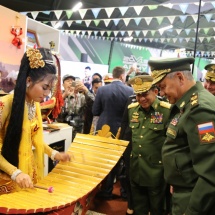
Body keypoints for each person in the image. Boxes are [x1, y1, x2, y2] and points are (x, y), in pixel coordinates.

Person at [148, 57, 215, 215]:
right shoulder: (188, 102)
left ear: (180, 77)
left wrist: (192, 211)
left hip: (194, 199)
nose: (162, 93)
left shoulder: (199, 109)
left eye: (163, 87)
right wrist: (178, 178)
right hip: (184, 189)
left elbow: (211, 172)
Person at [0, 48, 71, 194]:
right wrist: (15, 172)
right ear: (28, 80)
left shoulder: (35, 104)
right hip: (8, 176)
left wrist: (54, 154)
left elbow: (35, 140)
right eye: (44, 87)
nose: (47, 94)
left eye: (50, 89)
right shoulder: (5, 104)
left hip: (28, 174)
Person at [126, 75, 171, 215]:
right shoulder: (132, 110)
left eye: (145, 94)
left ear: (155, 92)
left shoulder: (166, 111)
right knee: (139, 208)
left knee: (157, 209)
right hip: (136, 169)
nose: (141, 99)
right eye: (138, 95)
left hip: (156, 171)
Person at [92, 66, 133, 200]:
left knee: (104, 161)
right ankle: (124, 192)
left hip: (103, 129)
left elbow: (95, 111)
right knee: (122, 161)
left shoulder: (102, 90)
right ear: (122, 76)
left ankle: (105, 190)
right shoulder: (130, 91)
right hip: (122, 129)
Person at [57, 74, 86, 140]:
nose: (70, 82)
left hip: (76, 132)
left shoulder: (81, 97)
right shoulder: (58, 96)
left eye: (72, 81)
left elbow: (92, 106)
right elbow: (53, 110)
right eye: (67, 81)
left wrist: (84, 90)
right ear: (63, 85)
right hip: (61, 130)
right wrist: (64, 95)